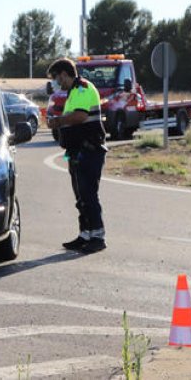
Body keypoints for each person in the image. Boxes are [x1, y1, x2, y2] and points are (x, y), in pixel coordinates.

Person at [46, 58, 108, 253]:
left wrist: (58, 121)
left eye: (56, 78)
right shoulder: (73, 92)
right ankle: (85, 235)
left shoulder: (82, 89)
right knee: (80, 196)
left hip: (89, 151)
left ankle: (97, 237)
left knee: (88, 195)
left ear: (64, 74)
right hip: (76, 152)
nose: (56, 83)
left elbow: (80, 116)